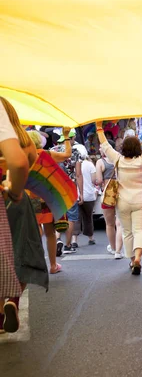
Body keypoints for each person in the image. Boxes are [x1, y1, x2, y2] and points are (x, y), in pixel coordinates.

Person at [0, 97, 48, 334]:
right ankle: (12, 301)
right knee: (22, 252)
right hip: (18, 199)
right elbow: (31, 170)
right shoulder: (26, 140)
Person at [96, 118, 142, 275]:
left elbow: (105, 145)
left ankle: (131, 260)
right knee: (140, 230)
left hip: (123, 202)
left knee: (127, 232)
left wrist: (98, 127)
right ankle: (137, 258)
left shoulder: (118, 159)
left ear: (123, 148)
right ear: (138, 148)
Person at [27, 129, 74, 274]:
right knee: (50, 233)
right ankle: (53, 265)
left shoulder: (23, 156)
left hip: (29, 197)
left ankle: (35, 266)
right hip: (46, 197)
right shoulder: (46, 154)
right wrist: (66, 137)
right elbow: (67, 155)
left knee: (35, 233)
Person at [52, 129, 85, 253]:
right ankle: (67, 245)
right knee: (71, 216)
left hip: (55, 187)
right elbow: (78, 174)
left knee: (58, 214)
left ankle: (58, 239)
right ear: (70, 139)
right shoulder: (75, 152)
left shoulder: (53, 150)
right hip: (70, 187)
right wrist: (81, 193)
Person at [96, 139, 124, 258]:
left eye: (101, 147)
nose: (99, 149)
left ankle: (113, 248)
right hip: (121, 193)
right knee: (120, 223)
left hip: (108, 194)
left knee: (109, 224)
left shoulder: (100, 162)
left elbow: (99, 181)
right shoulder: (119, 159)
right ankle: (118, 250)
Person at [79, 156, 97, 245]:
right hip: (88, 194)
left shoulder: (72, 165)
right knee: (88, 217)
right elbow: (94, 180)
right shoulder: (90, 165)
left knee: (75, 218)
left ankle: (73, 240)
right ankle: (90, 238)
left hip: (76, 194)